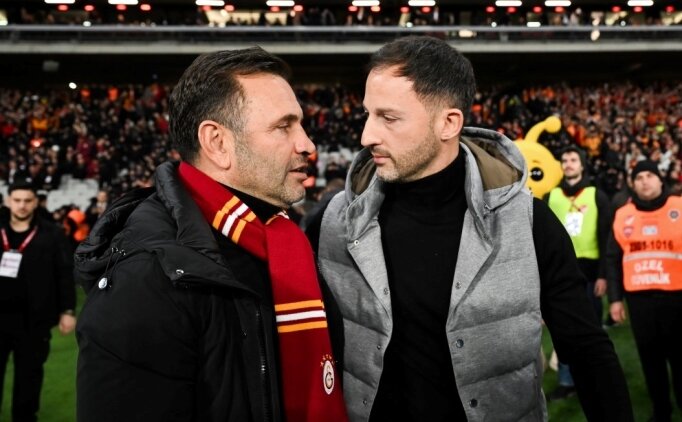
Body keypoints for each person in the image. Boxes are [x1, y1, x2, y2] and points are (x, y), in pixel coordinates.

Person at [312, 36, 632, 421]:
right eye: (368, 114)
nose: (367, 136)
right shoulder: (333, 221)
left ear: (449, 123)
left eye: (389, 118)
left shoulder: (527, 222)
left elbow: (587, 351)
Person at [75, 47, 347, 422]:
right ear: (217, 143)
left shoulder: (284, 241)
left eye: (300, 125)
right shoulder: (146, 277)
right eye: (284, 127)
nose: (308, 145)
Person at [607, 160, 682, 422]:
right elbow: (613, 259)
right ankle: (661, 411)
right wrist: (615, 299)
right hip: (640, 302)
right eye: (639, 177)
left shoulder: (679, 207)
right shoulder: (623, 215)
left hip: (677, 298)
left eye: (650, 175)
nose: (644, 181)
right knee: (651, 361)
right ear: (632, 184)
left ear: (661, 180)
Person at [0, 179, 76, 422]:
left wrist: (67, 310)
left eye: (27, 201)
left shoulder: (52, 234)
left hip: (34, 320)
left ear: (36, 203)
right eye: (17, 200)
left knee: (29, 377)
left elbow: (64, 273)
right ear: (8, 201)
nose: (22, 205)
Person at [545, 145, 612, 400]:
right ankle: (566, 382)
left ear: (582, 164)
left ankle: (598, 377)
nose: (569, 164)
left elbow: (606, 237)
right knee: (562, 329)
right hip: (560, 273)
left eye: (573, 159)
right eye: (565, 160)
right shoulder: (551, 196)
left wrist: (604, 275)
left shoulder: (597, 195)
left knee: (592, 330)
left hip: (591, 273)